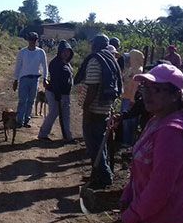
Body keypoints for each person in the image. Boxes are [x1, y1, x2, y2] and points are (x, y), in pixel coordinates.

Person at [120, 64, 183, 223]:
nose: (147, 94)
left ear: (175, 95)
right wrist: (128, 195)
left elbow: (159, 188)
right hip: (153, 217)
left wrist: (132, 215)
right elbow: (141, 168)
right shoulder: (157, 120)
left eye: (156, 89)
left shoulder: (171, 132)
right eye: (145, 87)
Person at [75, 34, 122, 188]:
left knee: (94, 146)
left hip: (94, 110)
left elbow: (93, 88)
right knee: (100, 144)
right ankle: (99, 175)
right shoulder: (110, 59)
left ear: (95, 44)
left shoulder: (96, 60)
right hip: (105, 108)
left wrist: (86, 109)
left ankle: (104, 177)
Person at [38, 40, 74, 143]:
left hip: (65, 94)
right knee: (53, 114)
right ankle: (43, 134)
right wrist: (57, 95)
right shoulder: (55, 63)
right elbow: (55, 80)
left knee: (66, 116)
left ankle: (68, 136)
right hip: (55, 93)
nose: (66, 53)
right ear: (60, 52)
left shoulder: (67, 63)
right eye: (64, 51)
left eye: (68, 51)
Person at [13, 32, 49, 128]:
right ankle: (20, 120)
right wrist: (15, 80)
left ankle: (26, 120)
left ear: (36, 40)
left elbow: (45, 66)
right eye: (31, 39)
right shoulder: (22, 52)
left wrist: (45, 78)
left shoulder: (41, 52)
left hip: (35, 79)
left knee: (31, 101)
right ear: (28, 40)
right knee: (22, 100)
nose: (32, 41)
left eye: (34, 40)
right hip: (24, 79)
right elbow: (18, 66)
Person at [119, 49, 145, 146]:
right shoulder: (131, 69)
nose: (128, 59)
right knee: (125, 120)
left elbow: (136, 86)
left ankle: (128, 142)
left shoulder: (138, 70)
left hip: (130, 99)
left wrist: (132, 99)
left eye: (130, 57)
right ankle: (125, 140)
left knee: (129, 121)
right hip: (126, 97)